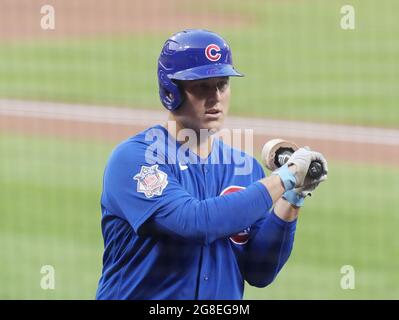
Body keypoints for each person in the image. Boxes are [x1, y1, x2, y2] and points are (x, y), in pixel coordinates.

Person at [96, 29, 328, 300]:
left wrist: (292, 198)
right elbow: (196, 222)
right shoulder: (136, 160)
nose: (215, 97)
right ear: (171, 91)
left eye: (222, 84)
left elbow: (259, 271)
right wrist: (284, 178)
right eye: (202, 86)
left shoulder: (244, 167)